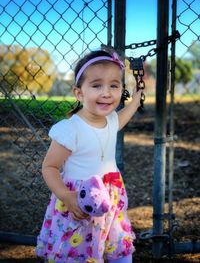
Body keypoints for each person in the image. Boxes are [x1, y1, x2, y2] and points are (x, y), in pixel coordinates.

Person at [36, 50, 142, 263]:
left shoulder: (111, 120)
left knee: (118, 249)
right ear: (79, 93)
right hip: (79, 203)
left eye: (114, 85)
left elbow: (123, 116)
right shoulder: (71, 129)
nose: (107, 93)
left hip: (111, 201)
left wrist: (137, 99)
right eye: (96, 85)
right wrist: (66, 196)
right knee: (80, 252)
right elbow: (49, 167)